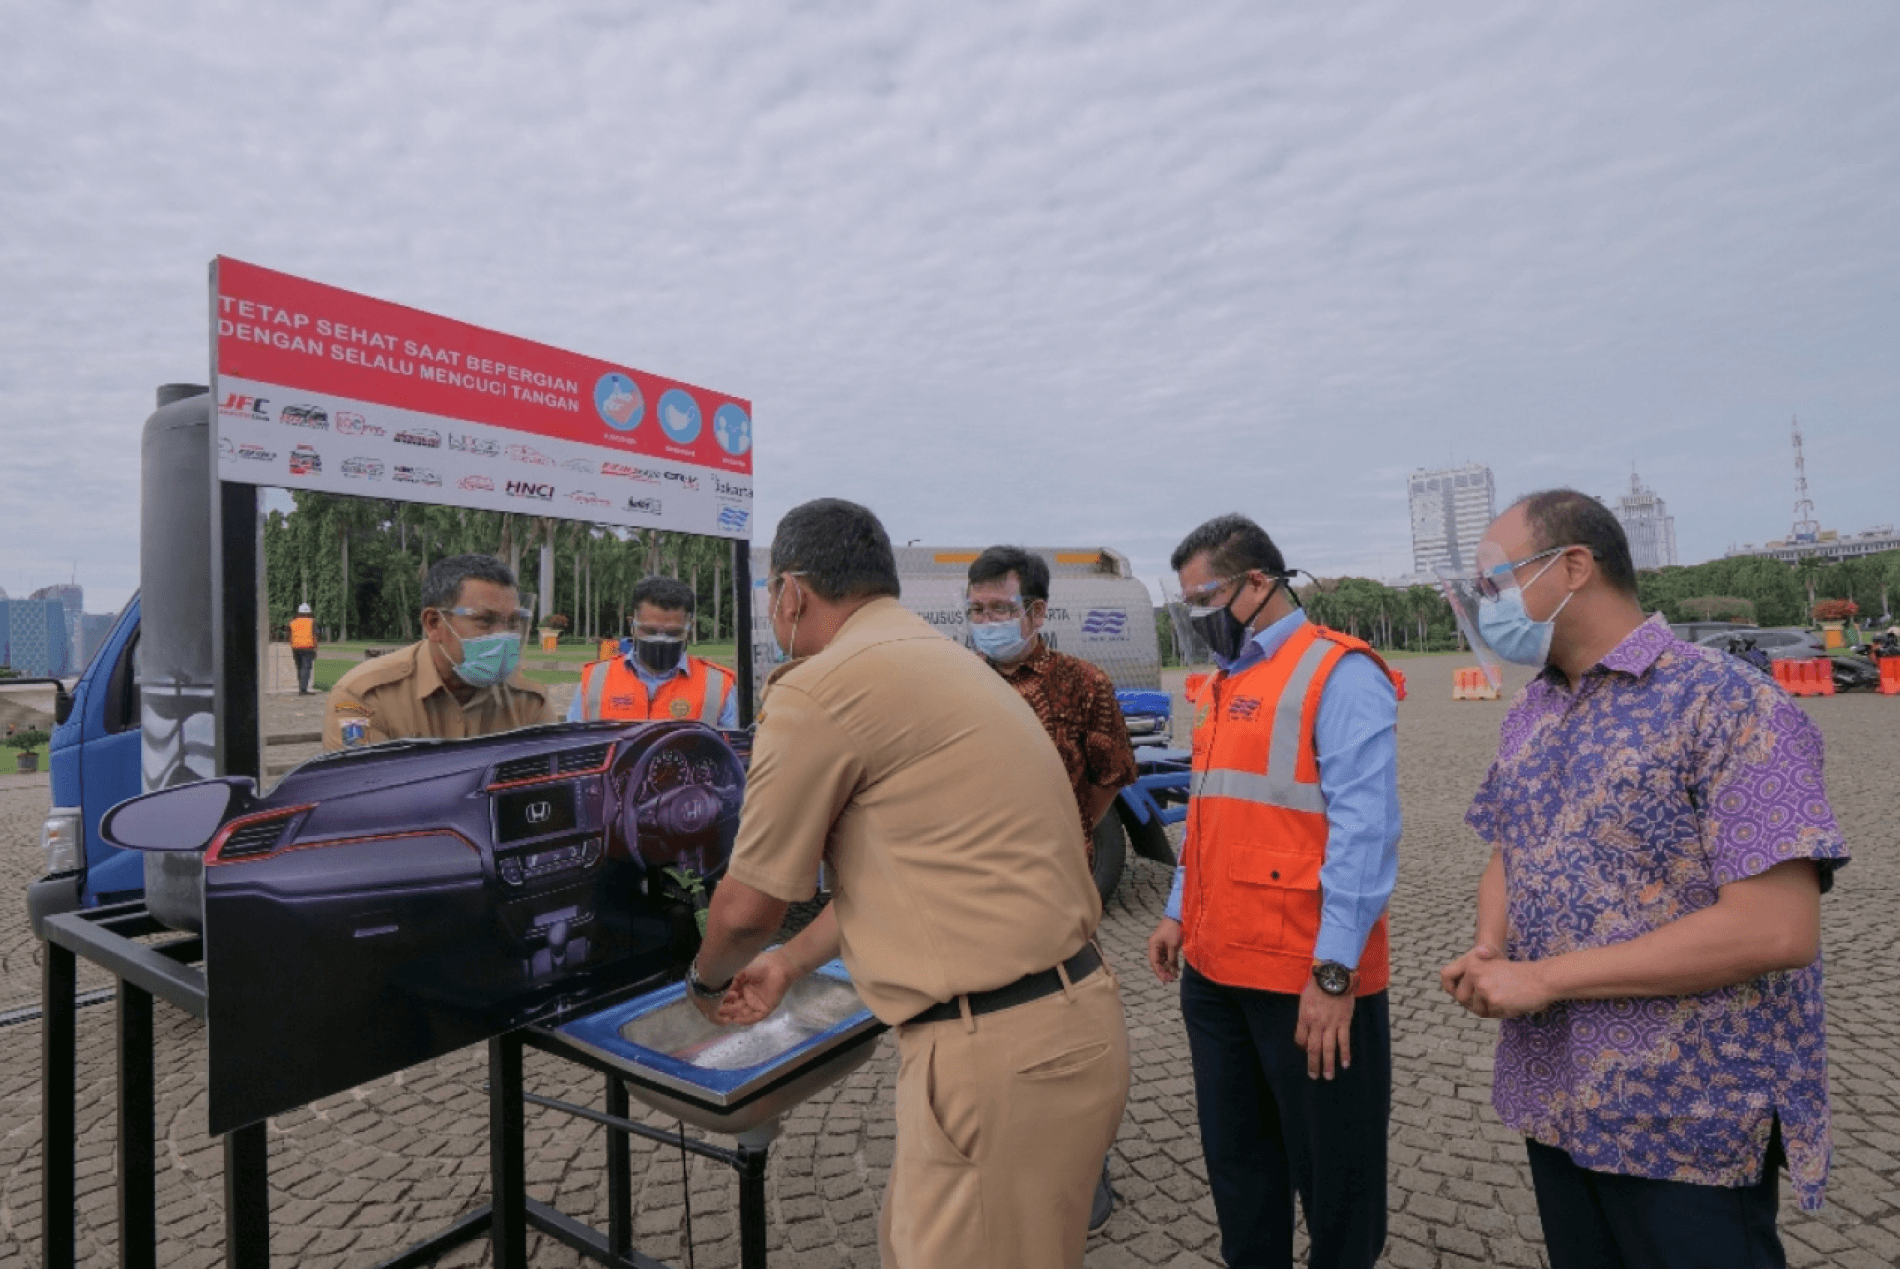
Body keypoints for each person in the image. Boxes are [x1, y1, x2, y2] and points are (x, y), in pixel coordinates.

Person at [690, 498, 1130, 1269]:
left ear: (791, 593)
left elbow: (751, 905)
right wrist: (790, 964)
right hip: (1062, 1024)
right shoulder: (951, 665)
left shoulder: (820, 687)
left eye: (770, 597)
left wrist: (704, 985)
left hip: (995, 1054)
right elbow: (908, 873)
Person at [1438, 490, 1849, 1269]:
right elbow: (1508, 847)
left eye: (1495, 582)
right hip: (1556, 1099)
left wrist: (1546, 978)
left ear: (1573, 567)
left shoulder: (1727, 701)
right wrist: (1493, 947)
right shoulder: (1534, 711)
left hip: (1683, 1117)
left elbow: (1776, 929)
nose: (1485, 604)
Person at [1145, 513, 1400, 1269]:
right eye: (1187, 602)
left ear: (1259, 582)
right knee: (1241, 1172)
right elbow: (1210, 811)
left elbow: (1366, 833)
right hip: (1217, 976)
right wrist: (1175, 910)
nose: (1196, 617)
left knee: (1337, 1185)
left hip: (1306, 984)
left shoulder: (1340, 673)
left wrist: (1333, 973)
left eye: (1204, 598)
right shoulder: (1226, 683)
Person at [966, 543, 1138, 1231]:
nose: (986, 620)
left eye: (1000, 608)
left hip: (1057, 891)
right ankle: (995, 1167)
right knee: (986, 1036)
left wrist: (1069, 837)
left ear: (1036, 610)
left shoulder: (1083, 685)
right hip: (973, 892)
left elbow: (1107, 778)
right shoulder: (954, 680)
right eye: (975, 609)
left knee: (1067, 1029)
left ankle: (1083, 1171)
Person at [322, 554, 554, 749]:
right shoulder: (365, 698)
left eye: (513, 622)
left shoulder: (529, 699)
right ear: (433, 623)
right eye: (485, 620)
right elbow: (367, 794)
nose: (503, 635)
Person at [567, 576, 737, 726]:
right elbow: (571, 745)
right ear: (631, 625)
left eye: (672, 633)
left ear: (690, 629)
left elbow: (736, 755)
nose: (660, 640)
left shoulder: (718, 686)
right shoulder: (596, 680)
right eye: (650, 631)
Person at [290, 602, 319, 695]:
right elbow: (315, 635)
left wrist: (292, 645)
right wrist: (315, 647)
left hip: (296, 648)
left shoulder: (292, 622)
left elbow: (289, 635)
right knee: (306, 668)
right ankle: (303, 690)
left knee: (300, 668)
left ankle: (301, 688)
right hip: (308, 648)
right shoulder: (312, 621)